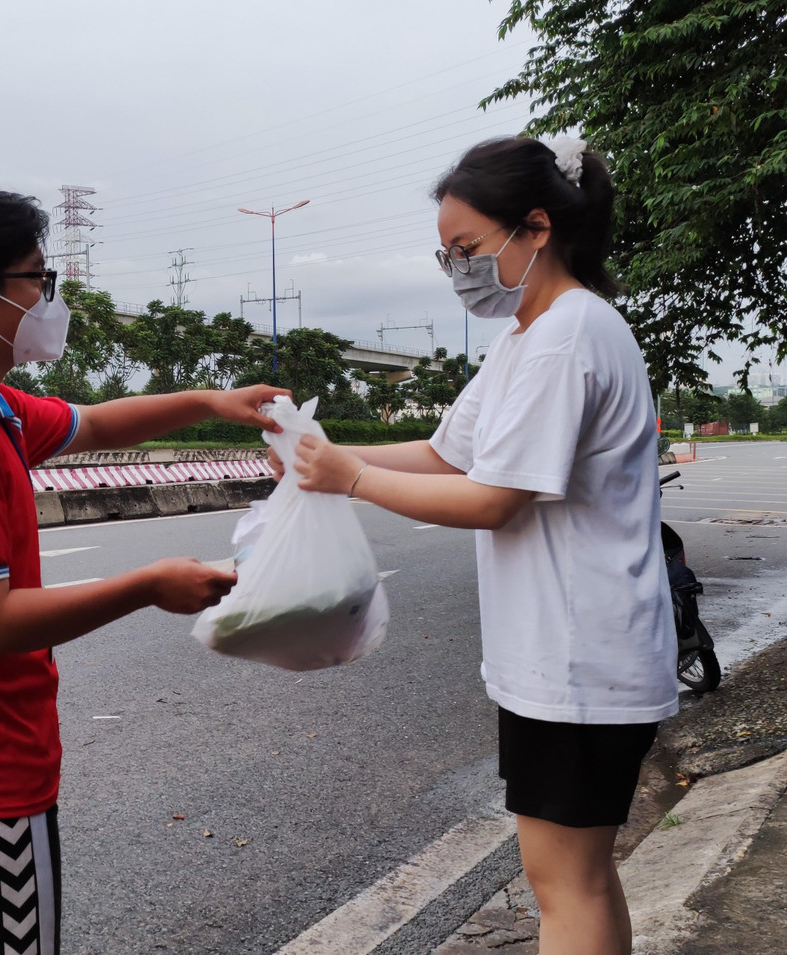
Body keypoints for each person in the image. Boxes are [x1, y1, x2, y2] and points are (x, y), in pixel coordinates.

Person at [281, 137, 677, 955]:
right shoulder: (528, 338)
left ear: (535, 228)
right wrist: (314, 449)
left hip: (581, 656)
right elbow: (444, 453)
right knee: (580, 880)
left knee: (566, 885)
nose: (456, 268)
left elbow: (496, 499)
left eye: (467, 248)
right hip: (566, 656)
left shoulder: (568, 334)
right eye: (446, 254)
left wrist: (350, 477)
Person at [0, 183, 287, 955]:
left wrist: (212, 400)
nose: (48, 297)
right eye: (36, 278)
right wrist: (147, 585)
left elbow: (94, 423)